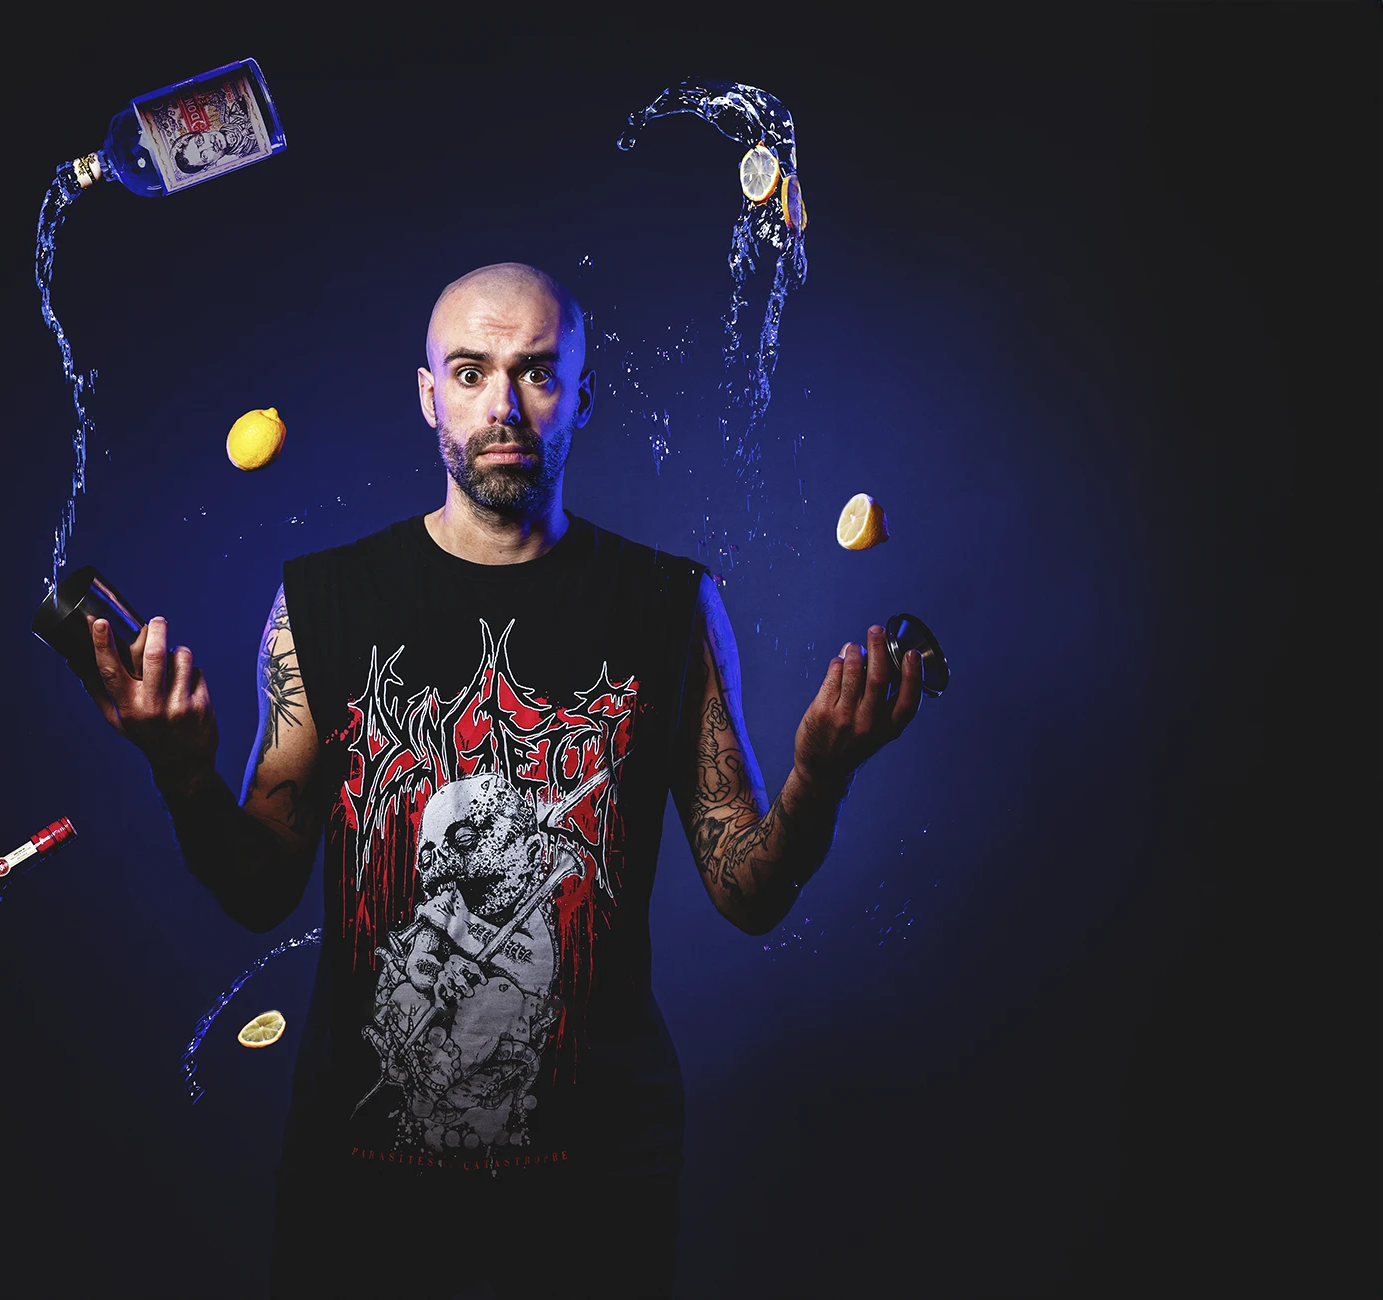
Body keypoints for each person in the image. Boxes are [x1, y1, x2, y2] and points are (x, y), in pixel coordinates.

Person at [75, 262, 924, 1297]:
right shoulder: (323, 603)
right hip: (361, 1197)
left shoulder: (671, 604)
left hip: (595, 1196)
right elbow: (259, 891)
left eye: (537, 372)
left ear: (582, 395)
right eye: (471, 372)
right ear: (429, 394)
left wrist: (819, 779)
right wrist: (182, 775)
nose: (504, 407)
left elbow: (747, 890)